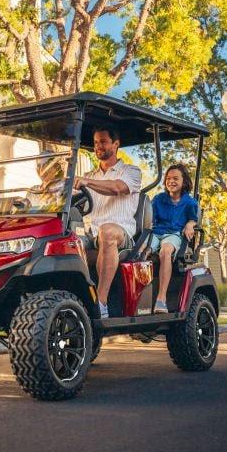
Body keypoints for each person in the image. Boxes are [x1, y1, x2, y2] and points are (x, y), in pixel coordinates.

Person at [74, 127, 142, 318]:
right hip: (91, 234)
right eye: (96, 142)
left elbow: (116, 188)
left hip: (121, 233)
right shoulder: (90, 175)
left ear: (116, 144)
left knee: (107, 232)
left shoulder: (131, 171)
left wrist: (86, 182)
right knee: (61, 239)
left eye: (103, 141)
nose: (98, 146)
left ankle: (101, 303)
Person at [150, 164, 198, 313]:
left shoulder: (189, 202)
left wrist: (190, 225)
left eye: (175, 178)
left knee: (165, 251)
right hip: (156, 232)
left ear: (184, 181)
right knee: (141, 250)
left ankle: (161, 299)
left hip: (174, 234)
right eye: (168, 178)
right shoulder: (159, 199)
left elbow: (193, 219)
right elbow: (149, 218)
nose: (171, 181)